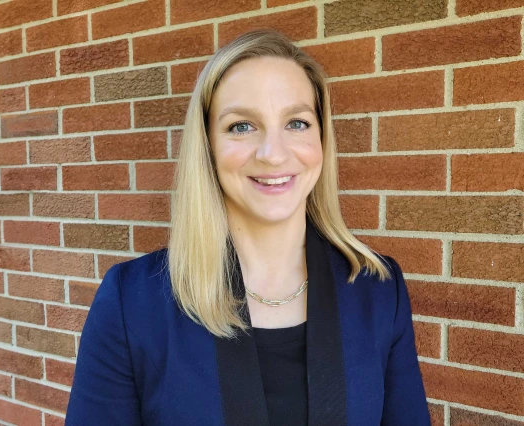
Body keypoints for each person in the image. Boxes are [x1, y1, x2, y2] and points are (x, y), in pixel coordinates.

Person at [65, 29, 431, 426]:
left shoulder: (378, 290)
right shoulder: (132, 302)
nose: (273, 154)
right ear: (207, 145)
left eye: (297, 123)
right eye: (241, 126)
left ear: (322, 140)